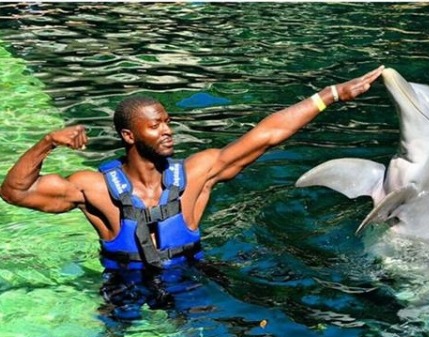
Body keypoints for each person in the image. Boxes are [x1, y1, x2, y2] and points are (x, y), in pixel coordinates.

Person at [1, 66, 384, 320]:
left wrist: (330, 95)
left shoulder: (197, 174)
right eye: (156, 126)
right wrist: (48, 142)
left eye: (168, 122)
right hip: (122, 287)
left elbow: (265, 136)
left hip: (192, 276)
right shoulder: (94, 186)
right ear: (129, 136)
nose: (168, 130)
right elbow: (15, 192)